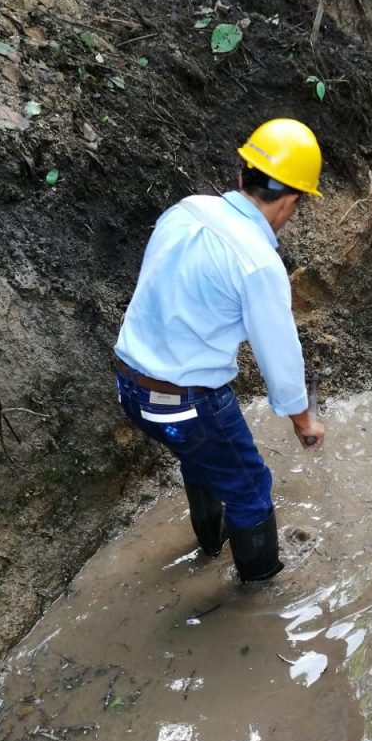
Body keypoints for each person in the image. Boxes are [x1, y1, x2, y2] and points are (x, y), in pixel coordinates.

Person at [114, 118, 325, 584]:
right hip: (184, 402)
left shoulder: (186, 209)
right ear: (290, 201)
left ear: (241, 175)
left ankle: (210, 544)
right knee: (250, 488)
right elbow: (279, 353)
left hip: (129, 386)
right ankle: (259, 589)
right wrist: (303, 419)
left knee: (202, 455)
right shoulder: (257, 262)